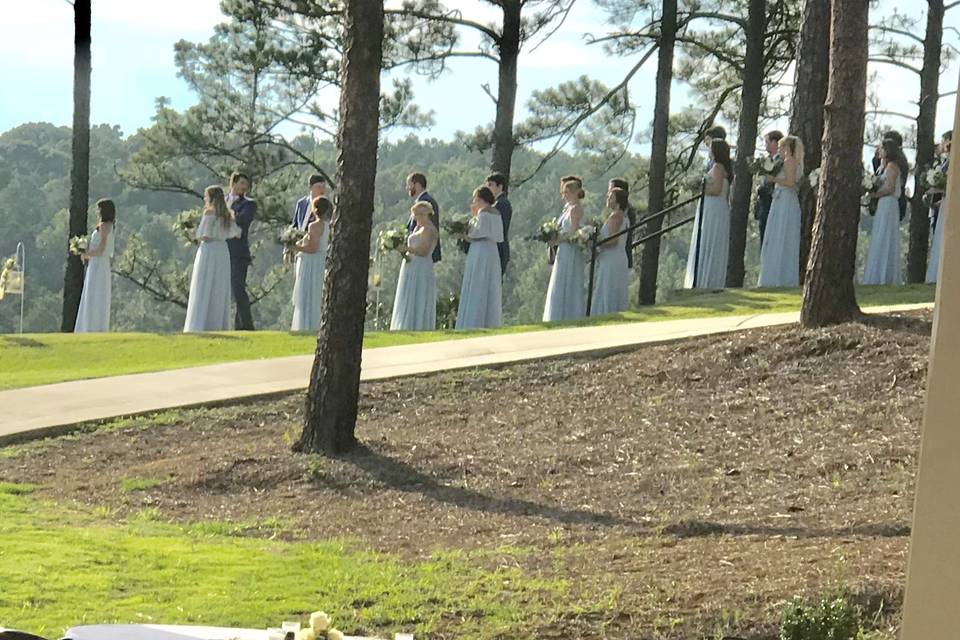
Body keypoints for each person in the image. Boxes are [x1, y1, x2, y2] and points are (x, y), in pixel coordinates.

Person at [184, 186, 241, 332]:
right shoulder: (227, 215)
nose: (205, 199)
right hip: (222, 250)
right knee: (219, 286)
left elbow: (205, 235)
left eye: (206, 196)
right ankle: (217, 322)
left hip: (209, 250)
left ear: (211, 198)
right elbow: (237, 233)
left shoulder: (209, 213)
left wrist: (191, 233)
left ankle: (200, 322)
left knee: (204, 283)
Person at [685, 139, 732, 289]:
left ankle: (708, 280)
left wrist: (700, 190)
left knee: (711, 239)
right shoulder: (719, 167)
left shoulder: (718, 167)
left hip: (715, 207)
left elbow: (717, 190)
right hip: (712, 207)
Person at [758, 135, 803, 287]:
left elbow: (790, 182)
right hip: (780, 199)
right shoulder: (784, 162)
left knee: (783, 234)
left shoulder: (790, 161)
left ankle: (782, 276)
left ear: (789, 148)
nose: (781, 150)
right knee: (776, 234)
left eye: (783, 147)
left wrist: (774, 179)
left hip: (785, 199)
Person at [456, 186, 503, 329]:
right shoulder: (497, 213)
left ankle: (474, 318)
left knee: (477, 280)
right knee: (489, 282)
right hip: (492, 250)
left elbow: (474, 234)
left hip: (480, 250)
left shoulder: (483, 213)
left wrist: (462, 233)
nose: (474, 202)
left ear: (481, 199)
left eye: (475, 199)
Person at [543, 177, 586, 321]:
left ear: (575, 192)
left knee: (568, 280)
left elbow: (573, 234)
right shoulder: (567, 208)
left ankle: (569, 314)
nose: (564, 196)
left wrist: (557, 239)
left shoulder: (576, 209)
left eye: (567, 192)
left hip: (570, 250)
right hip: (563, 249)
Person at [390, 201, 438, 331]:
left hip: (421, 266)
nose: (418, 217)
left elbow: (424, 251)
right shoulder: (417, 228)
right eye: (416, 215)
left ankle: (418, 324)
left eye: (421, 214)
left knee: (419, 294)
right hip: (411, 264)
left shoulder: (429, 229)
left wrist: (407, 248)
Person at [863, 139, 903, 285]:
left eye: (881, 148)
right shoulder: (882, 167)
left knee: (886, 235)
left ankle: (886, 275)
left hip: (889, 204)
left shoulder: (892, 166)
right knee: (879, 234)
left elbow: (891, 188)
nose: (878, 151)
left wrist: (875, 194)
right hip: (882, 204)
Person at [74, 198, 116, 333]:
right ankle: (92, 324)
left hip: (98, 264)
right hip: (97, 264)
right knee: (94, 293)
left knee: (95, 293)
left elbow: (102, 249)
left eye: (98, 209)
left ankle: (92, 326)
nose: (96, 211)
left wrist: (86, 252)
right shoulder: (108, 225)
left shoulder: (104, 226)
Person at [290, 196, 332, 331]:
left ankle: (307, 324)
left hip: (311, 263)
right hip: (321, 260)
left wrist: (295, 248)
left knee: (308, 294)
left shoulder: (314, 226)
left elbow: (312, 248)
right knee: (316, 293)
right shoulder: (330, 226)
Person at [225, 171, 257, 330]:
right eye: (242, 183)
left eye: (247, 184)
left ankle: (246, 325)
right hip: (222, 250)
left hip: (238, 253)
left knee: (238, 288)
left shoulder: (249, 204)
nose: (245, 187)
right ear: (234, 183)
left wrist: (226, 215)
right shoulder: (222, 201)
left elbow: (242, 221)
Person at [591, 188, 630, 315]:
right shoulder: (623, 216)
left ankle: (607, 312)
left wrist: (596, 243)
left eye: (611, 197)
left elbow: (613, 240)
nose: (608, 199)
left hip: (611, 259)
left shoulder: (615, 216)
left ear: (618, 201)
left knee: (609, 288)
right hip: (618, 257)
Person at [926, 130, 952, 283]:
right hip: (941, 201)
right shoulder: (943, 161)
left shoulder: (951, 161)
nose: (942, 145)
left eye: (944, 141)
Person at [755, 130, 784, 249]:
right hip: (763, 205)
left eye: (767, 142)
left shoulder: (779, 162)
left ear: (775, 143)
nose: (765, 144)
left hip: (772, 203)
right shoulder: (766, 160)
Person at [405, 172, 441, 263]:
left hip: (423, 253)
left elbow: (428, 228)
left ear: (417, 185)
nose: (407, 188)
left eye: (409, 185)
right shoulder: (421, 201)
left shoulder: (426, 202)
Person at [485, 172, 512, 277]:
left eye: (491, 185)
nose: (488, 188)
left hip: (499, 249)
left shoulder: (502, 203)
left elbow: (501, 228)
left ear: (500, 186)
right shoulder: (497, 203)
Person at [608, 178, 638, 269]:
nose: (608, 193)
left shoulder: (625, 213)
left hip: (618, 257)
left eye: (610, 190)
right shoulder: (616, 211)